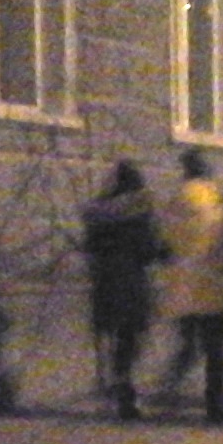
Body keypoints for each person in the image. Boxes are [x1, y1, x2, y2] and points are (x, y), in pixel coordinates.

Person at [80, 160, 168, 420]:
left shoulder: (98, 213)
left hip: (104, 283)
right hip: (131, 283)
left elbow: (89, 248)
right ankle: (125, 394)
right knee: (129, 339)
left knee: (112, 338)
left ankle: (114, 387)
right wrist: (163, 251)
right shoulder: (139, 213)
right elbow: (148, 250)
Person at [154, 148, 223, 425]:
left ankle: (168, 391)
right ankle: (215, 407)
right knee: (215, 351)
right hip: (212, 284)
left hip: (182, 284)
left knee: (188, 345)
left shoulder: (174, 202)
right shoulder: (217, 202)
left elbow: (164, 241)